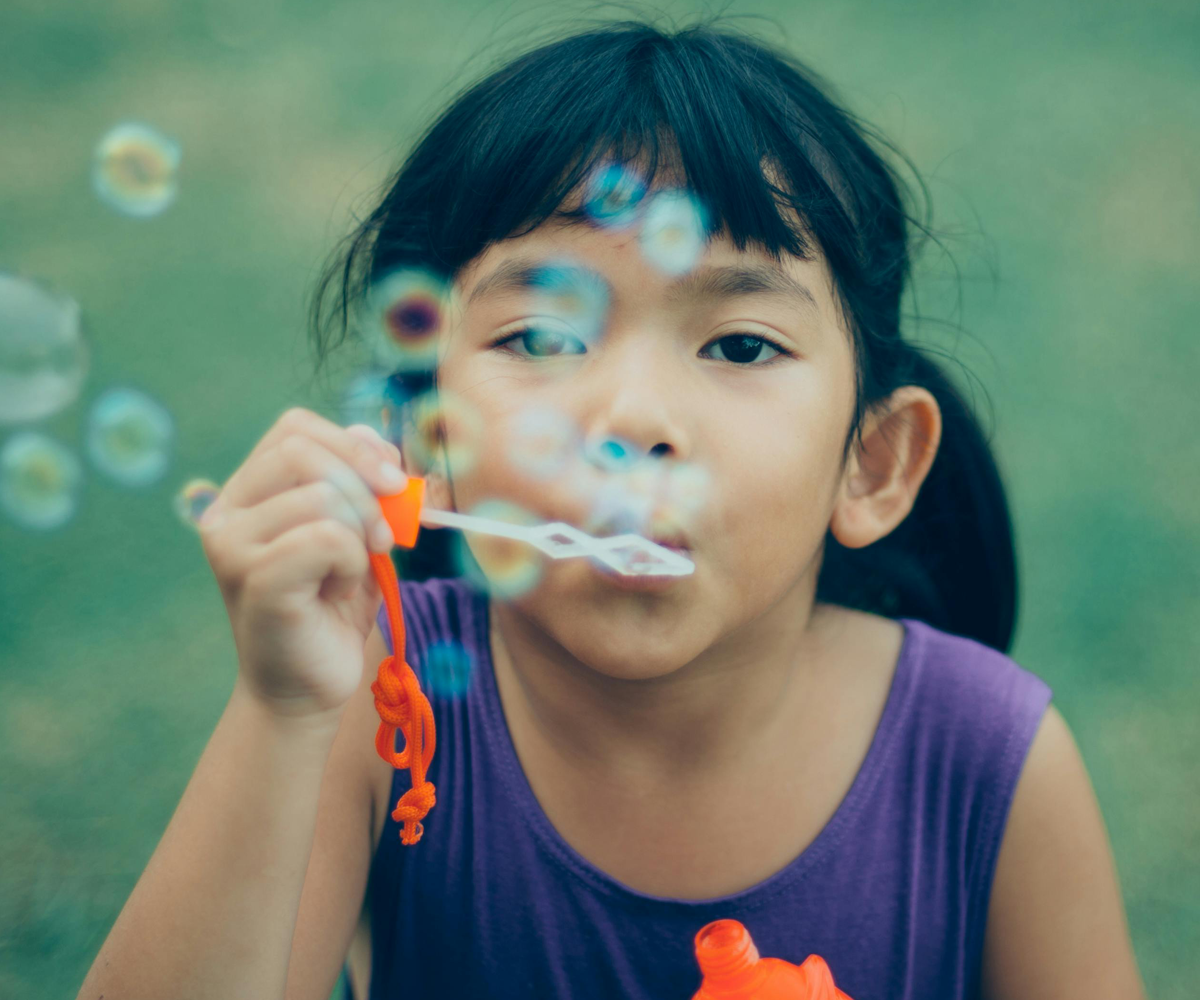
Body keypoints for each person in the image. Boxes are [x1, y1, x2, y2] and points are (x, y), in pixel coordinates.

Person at [75, 18, 1148, 1000]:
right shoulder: (377, 712)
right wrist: (282, 711)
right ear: (424, 445)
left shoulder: (989, 762)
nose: (632, 417)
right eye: (541, 338)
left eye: (740, 345)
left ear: (871, 464)